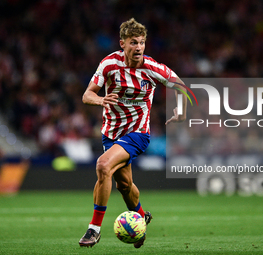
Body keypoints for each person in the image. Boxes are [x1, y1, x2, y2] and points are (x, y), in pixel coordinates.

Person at [79, 18, 187, 249]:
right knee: (125, 185)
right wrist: (100, 100)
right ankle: (140, 219)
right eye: (133, 42)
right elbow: (87, 95)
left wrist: (181, 110)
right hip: (111, 133)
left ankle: (94, 229)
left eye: (142, 42)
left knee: (103, 165)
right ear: (123, 44)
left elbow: (181, 86)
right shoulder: (109, 64)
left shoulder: (152, 68)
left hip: (138, 132)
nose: (138, 47)